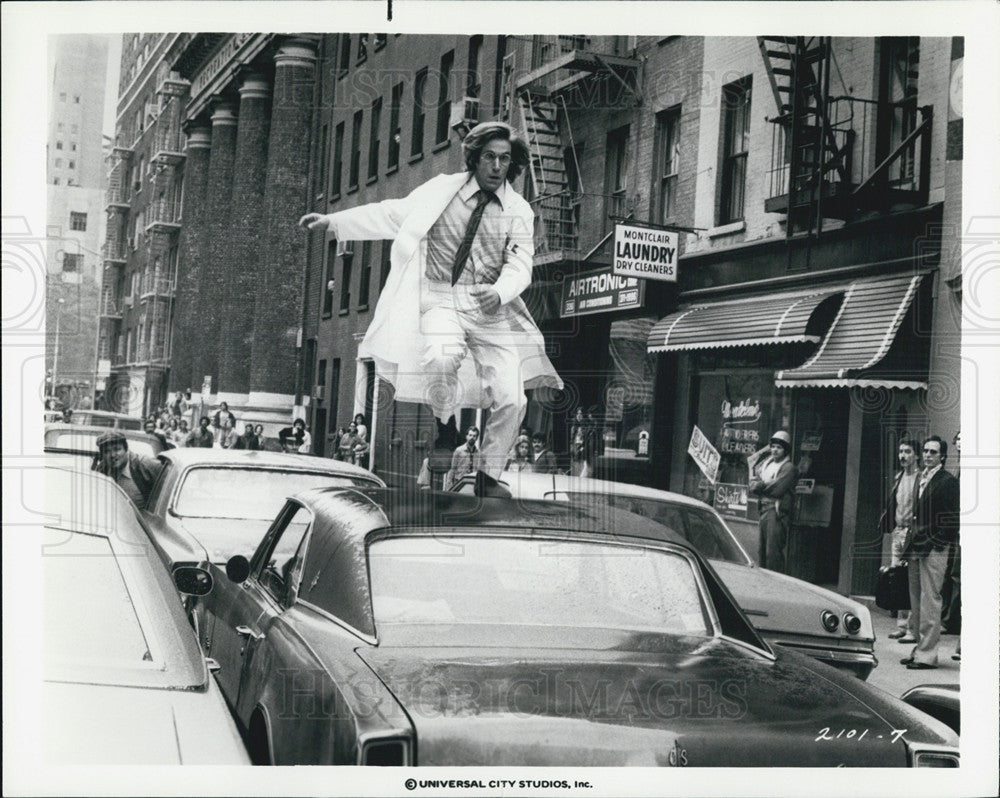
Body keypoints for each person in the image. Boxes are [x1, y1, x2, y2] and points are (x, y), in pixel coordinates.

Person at [300, 121, 562, 490]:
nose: (497, 166)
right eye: (489, 157)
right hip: (441, 296)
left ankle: (488, 476)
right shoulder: (442, 190)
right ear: (474, 158)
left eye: (505, 159)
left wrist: (501, 291)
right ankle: (445, 426)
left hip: (488, 303)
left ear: (512, 163)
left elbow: (521, 264)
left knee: (513, 396)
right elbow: (393, 213)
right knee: (441, 356)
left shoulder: (519, 211)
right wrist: (334, 221)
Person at [900, 435, 960, 670]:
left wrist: (936, 543)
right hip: (916, 545)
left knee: (930, 600)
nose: (927, 455)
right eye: (925, 451)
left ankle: (927, 655)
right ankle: (919, 649)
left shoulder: (947, 481)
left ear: (942, 456)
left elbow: (952, 519)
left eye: (933, 452)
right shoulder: (921, 478)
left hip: (934, 548)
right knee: (916, 600)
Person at [880, 438, 921, 640]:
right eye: (901, 451)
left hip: (912, 534)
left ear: (916, 455)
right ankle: (901, 624)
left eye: (907, 452)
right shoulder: (899, 477)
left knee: (912, 580)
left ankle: (913, 627)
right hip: (898, 530)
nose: (903, 455)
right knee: (897, 577)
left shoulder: (920, 478)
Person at [748, 430, 797, 572]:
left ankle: (776, 583)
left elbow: (777, 489)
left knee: (773, 552)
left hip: (776, 512)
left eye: (779, 447)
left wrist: (760, 485)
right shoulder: (766, 464)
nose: (775, 450)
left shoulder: (789, 468)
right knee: (761, 551)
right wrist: (760, 485)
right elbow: (753, 482)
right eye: (773, 446)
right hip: (763, 510)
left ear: (785, 450)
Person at [91, 430, 163, 510]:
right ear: (102, 455)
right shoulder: (101, 470)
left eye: (117, 449)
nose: (112, 455)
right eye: (107, 451)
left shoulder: (145, 465)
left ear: (126, 449)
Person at [444, 426, 482, 490]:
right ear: (466, 436)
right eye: (470, 435)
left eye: (474, 436)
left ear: (477, 438)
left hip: (473, 484)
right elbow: (452, 469)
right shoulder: (459, 450)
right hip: (459, 483)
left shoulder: (479, 453)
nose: (472, 437)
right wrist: (448, 486)